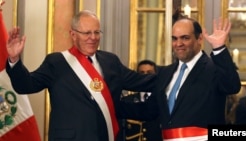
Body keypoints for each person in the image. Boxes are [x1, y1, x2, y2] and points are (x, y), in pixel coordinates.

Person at [5, 10, 159, 141]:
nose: (93, 37)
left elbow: (142, 82)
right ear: (73, 34)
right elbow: (26, 85)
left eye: (96, 32)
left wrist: (176, 74)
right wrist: (14, 60)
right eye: (87, 33)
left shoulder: (110, 61)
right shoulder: (56, 62)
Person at [154, 17, 241, 140]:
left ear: (199, 39)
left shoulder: (213, 68)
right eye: (174, 38)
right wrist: (116, 106)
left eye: (185, 38)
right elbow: (152, 109)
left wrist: (219, 48)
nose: (178, 44)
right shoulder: (165, 73)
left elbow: (232, 86)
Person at [121, 60, 162, 141]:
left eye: (149, 73)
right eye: (142, 73)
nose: (145, 76)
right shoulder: (127, 100)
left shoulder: (162, 101)